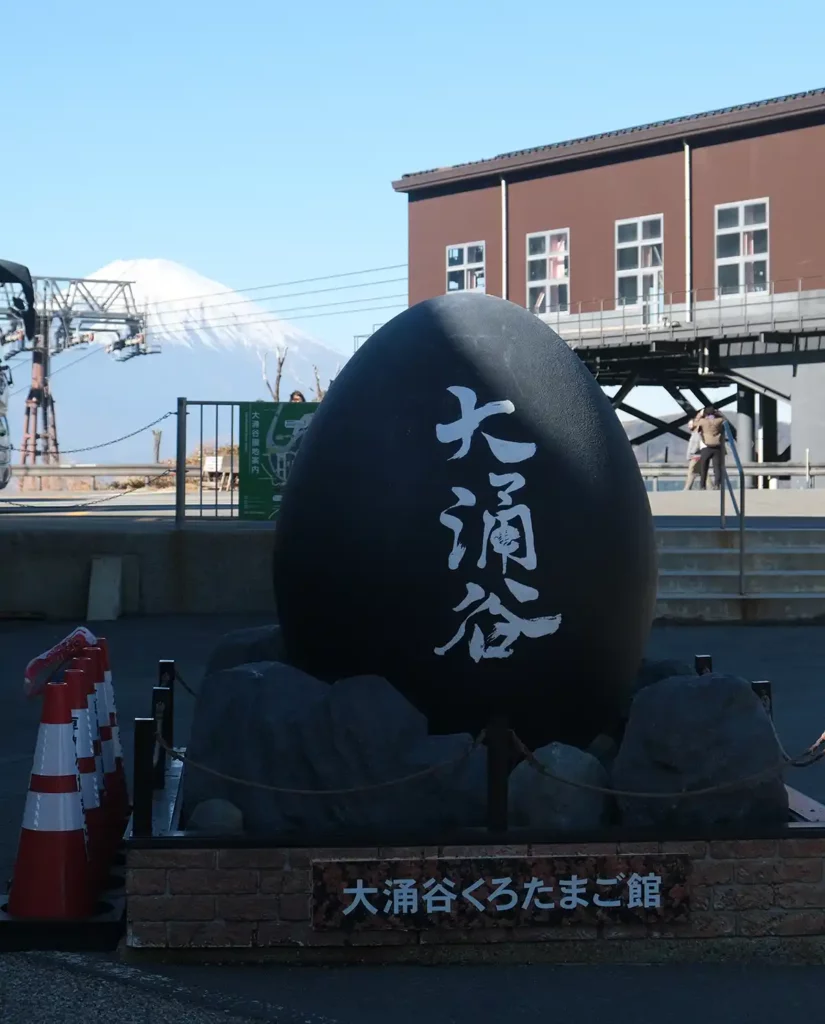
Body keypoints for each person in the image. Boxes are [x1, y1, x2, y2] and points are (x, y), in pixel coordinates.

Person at [693, 407, 726, 490]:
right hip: (717, 447)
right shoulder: (718, 421)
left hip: (706, 447)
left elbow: (695, 424)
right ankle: (717, 485)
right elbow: (725, 420)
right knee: (717, 467)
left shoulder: (703, 421)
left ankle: (702, 486)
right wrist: (719, 413)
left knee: (704, 467)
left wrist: (699, 415)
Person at [684, 418, 703, 490]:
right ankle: (710, 487)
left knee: (691, 472)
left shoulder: (696, 434)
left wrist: (692, 452)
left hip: (695, 456)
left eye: (690, 424)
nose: (689, 426)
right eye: (688, 424)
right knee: (703, 472)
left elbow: (697, 445)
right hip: (697, 456)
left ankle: (687, 488)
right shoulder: (695, 434)